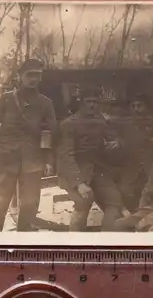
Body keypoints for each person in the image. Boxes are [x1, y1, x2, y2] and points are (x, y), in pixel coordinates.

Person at [0, 59, 57, 232]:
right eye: (29, 75)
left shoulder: (46, 103)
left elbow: (50, 133)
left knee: (29, 206)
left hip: (32, 161)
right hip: (6, 159)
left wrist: (48, 160)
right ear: (20, 77)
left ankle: (22, 243)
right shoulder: (7, 99)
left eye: (37, 76)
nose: (33, 79)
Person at [56, 86, 125, 231]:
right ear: (80, 103)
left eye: (95, 102)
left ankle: (105, 243)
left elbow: (112, 138)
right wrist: (79, 183)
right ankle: (75, 244)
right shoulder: (69, 124)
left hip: (96, 171)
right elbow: (66, 157)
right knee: (83, 202)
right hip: (75, 172)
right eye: (88, 102)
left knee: (115, 200)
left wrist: (117, 143)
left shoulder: (101, 121)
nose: (92, 105)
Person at [111, 93, 153, 212]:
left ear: (146, 107)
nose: (136, 109)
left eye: (140, 106)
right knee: (126, 194)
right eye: (134, 106)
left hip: (150, 167)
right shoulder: (124, 124)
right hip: (130, 168)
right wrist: (119, 140)